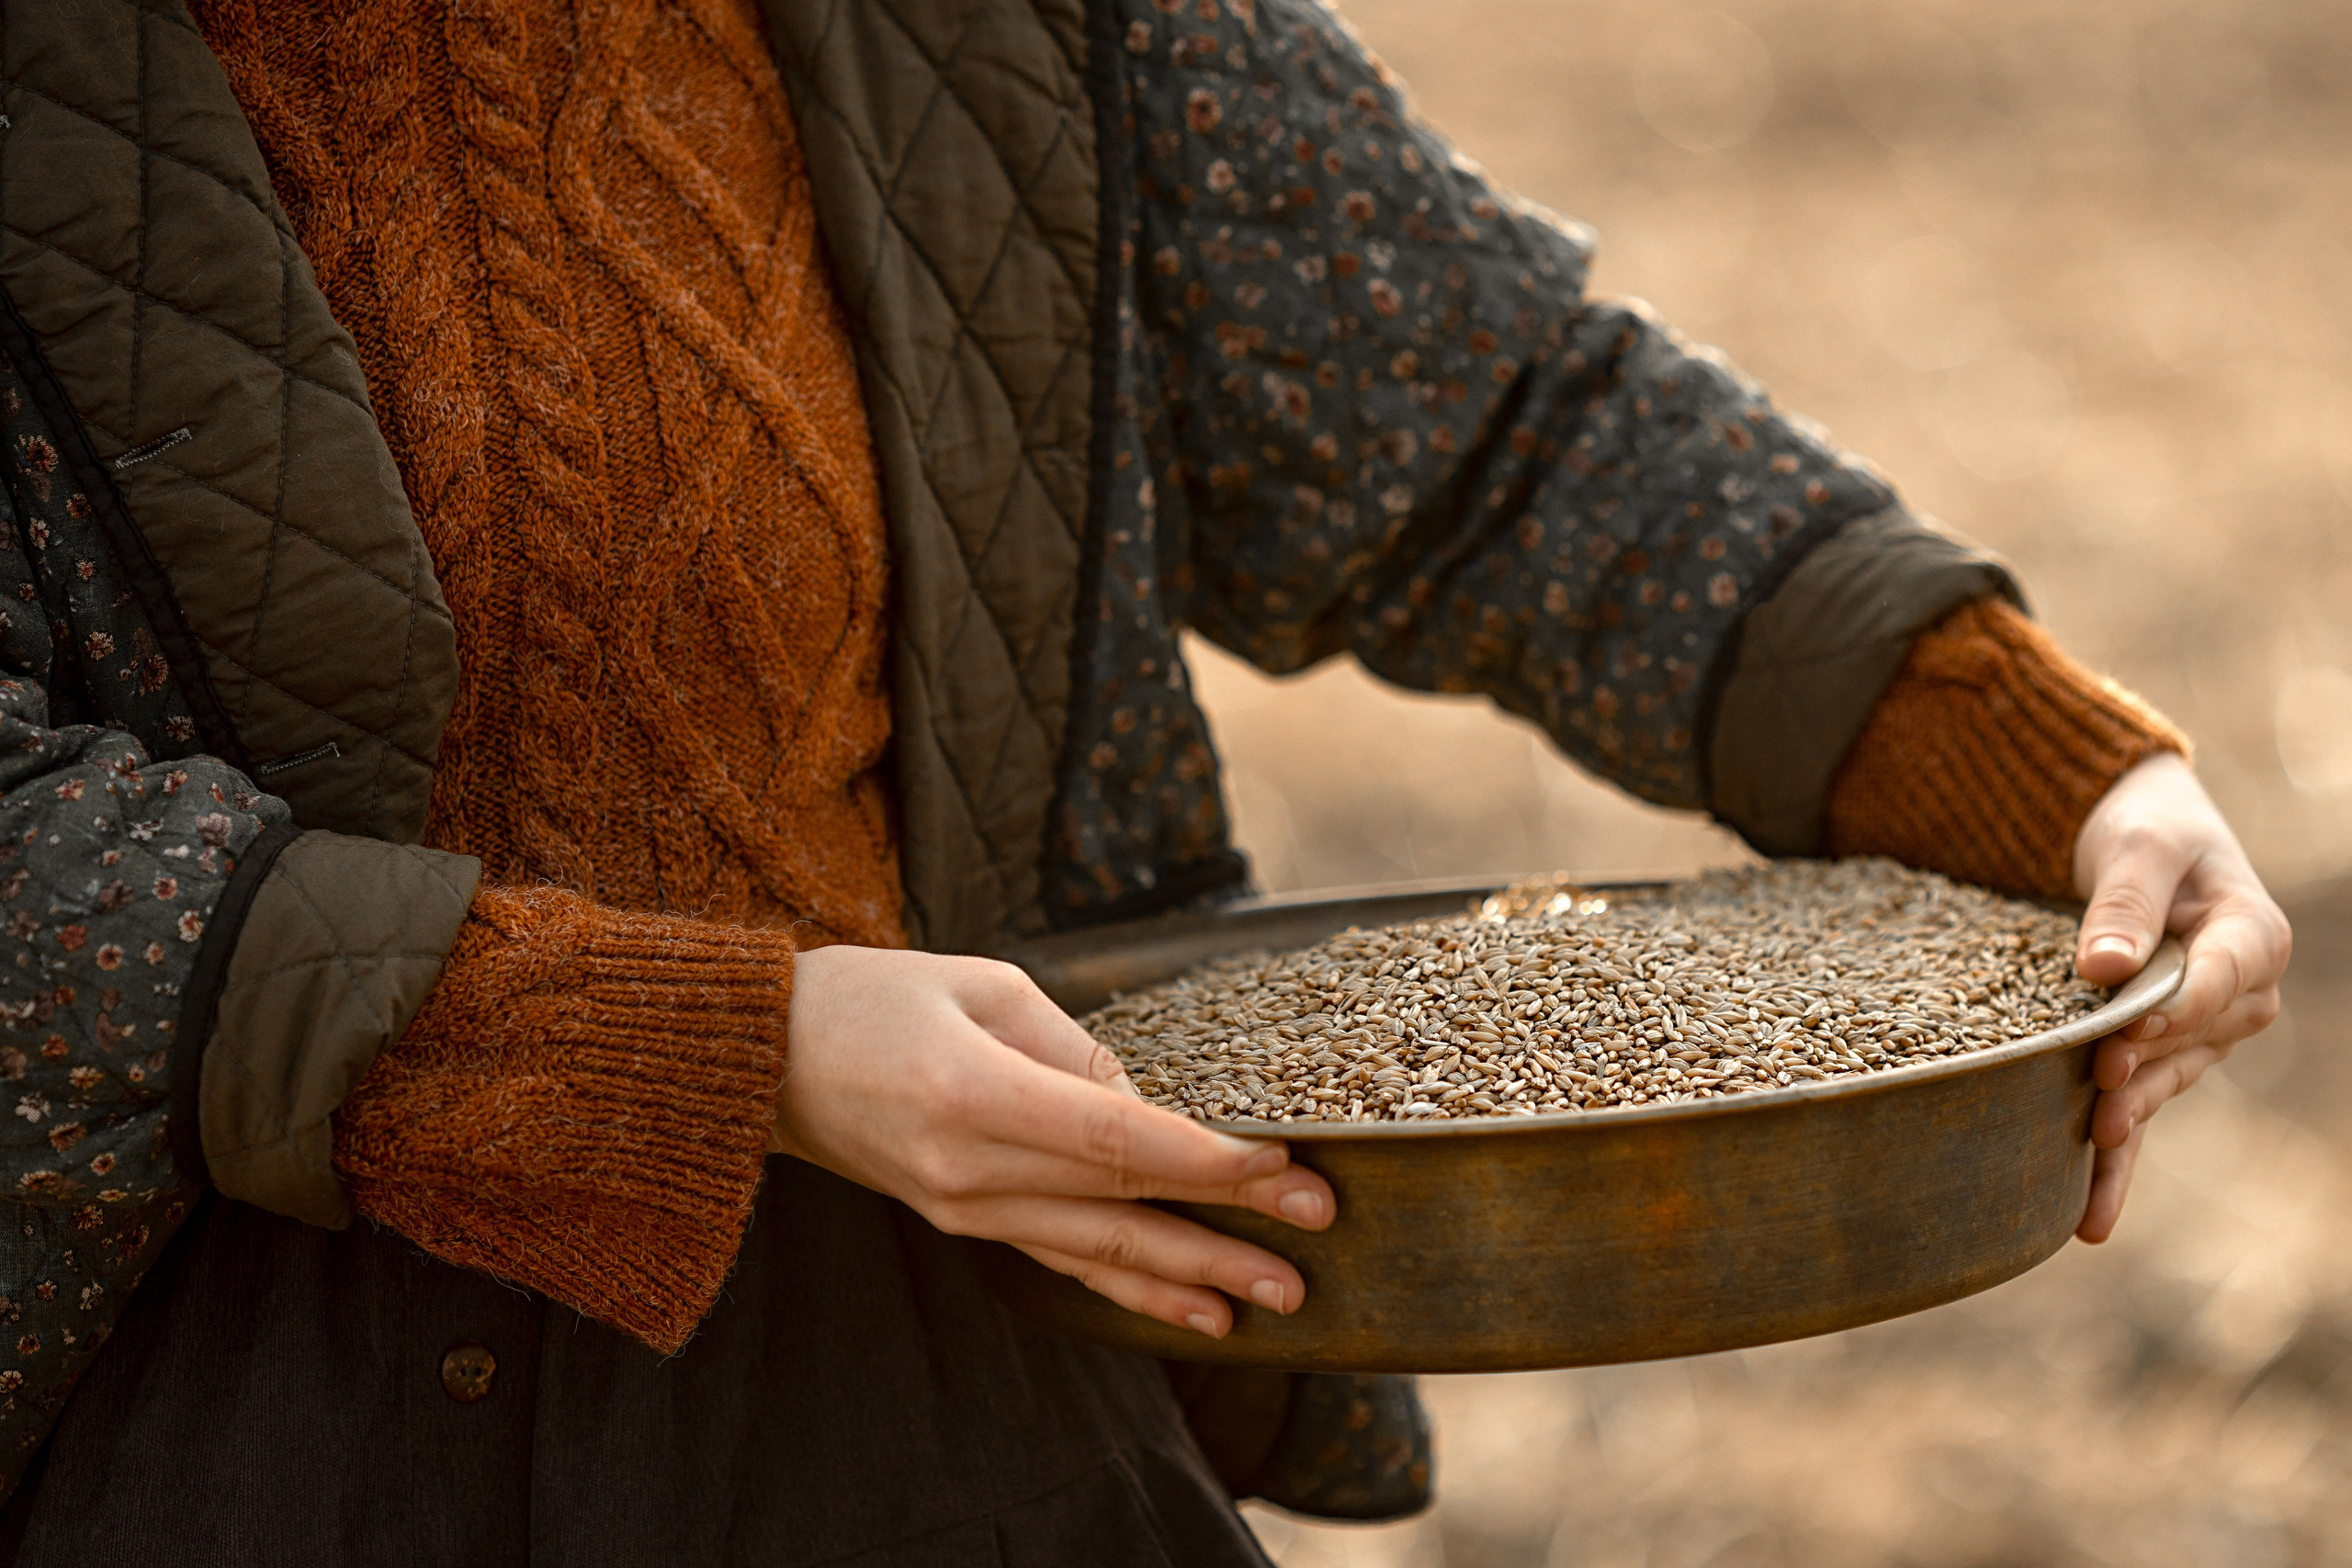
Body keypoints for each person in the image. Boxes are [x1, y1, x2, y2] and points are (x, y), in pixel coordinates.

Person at [0, 0, 2289, 1559]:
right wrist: (715, 1049)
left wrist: (2040, 762)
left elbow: (1483, 415)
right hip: (219, 1398)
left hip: (951, 1326)